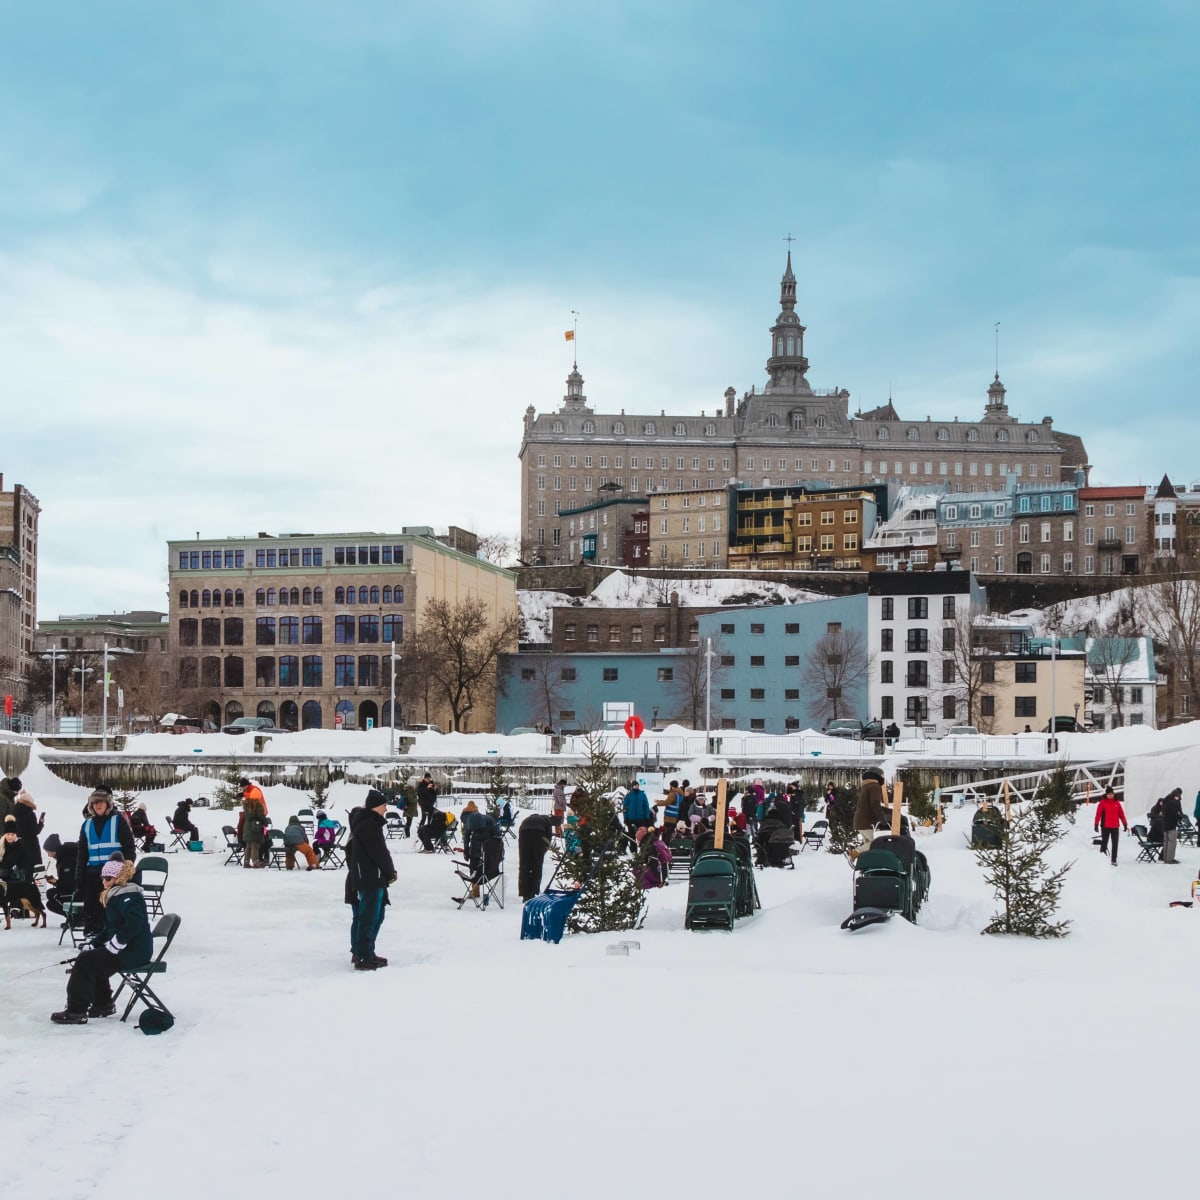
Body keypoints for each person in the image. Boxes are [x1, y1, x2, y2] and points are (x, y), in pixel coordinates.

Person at [51, 858, 152, 1024]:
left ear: (118, 878)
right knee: (90, 956)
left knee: (86, 961)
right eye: (102, 878)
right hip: (126, 949)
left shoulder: (130, 896)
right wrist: (94, 944)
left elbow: (135, 923)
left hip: (135, 951)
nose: (104, 881)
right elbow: (109, 930)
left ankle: (76, 1011)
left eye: (108, 878)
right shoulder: (115, 896)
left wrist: (118, 942)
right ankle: (103, 1003)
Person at [347, 790, 396, 970]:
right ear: (376, 807)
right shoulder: (369, 825)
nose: (386, 809)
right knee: (368, 917)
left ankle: (368, 952)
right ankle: (362, 956)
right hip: (370, 878)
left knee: (377, 915)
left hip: (372, 877)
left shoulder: (369, 824)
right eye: (384, 805)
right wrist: (390, 871)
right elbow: (379, 853)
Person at [77, 788, 136, 934]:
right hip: (92, 873)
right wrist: (79, 876)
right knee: (92, 906)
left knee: (110, 908)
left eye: (101, 802)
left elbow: (129, 847)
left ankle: (110, 936)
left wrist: (126, 869)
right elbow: (82, 853)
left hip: (113, 875)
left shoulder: (118, 820)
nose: (98, 805)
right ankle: (93, 935)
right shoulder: (87, 824)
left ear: (107, 803)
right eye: (95, 802)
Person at [517, 812, 554, 900]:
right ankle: (533, 892)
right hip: (539, 835)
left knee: (524, 865)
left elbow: (520, 834)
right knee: (537, 865)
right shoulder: (546, 820)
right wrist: (544, 849)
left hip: (524, 835)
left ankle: (524, 893)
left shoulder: (526, 820)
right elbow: (549, 836)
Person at [43, 833, 78, 916]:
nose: (49, 855)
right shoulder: (65, 857)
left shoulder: (66, 861)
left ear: (54, 850)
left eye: (49, 852)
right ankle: (73, 917)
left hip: (76, 891)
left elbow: (70, 883)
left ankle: (75, 917)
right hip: (74, 888)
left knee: (50, 895)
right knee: (50, 897)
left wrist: (56, 882)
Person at [854, 768, 889, 849]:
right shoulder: (874, 786)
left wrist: (887, 810)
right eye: (882, 775)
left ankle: (863, 859)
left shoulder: (866, 786)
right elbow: (875, 804)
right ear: (876, 775)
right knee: (876, 844)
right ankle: (854, 853)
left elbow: (869, 804)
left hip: (860, 821)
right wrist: (882, 819)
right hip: (867, 822)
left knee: (868, 845)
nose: (883, 777)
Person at [1094, 786, 1128, 866]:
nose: (1110, 795)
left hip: (1115, 826)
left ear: (1113, 794)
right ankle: (1101, 859)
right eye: (1109, 794)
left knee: (1115, 844)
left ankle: (1114, 859)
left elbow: (1121, 814)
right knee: (1104, 843)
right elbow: (1098, 814)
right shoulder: (1102, 803)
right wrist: (1096, 824)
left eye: (1112, 794)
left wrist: (1125, 824)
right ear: (1106, 795)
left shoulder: (1117, 803)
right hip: (1105, 826)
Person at [11, 789, 44, 871]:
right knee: (36, 868)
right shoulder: (30, 814)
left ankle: (25, 882)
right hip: (31, 844)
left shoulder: (13, 812)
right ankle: (38, 883)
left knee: (23, 867)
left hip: (19, 843)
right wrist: (41, 823)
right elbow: (34, 831)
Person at [240, 782, 268, 869]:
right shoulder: (258, 804)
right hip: (255, 828)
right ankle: (256, 862)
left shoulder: (246, 804)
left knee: (248, 846)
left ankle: (246, 862)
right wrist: (265, 822)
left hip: (247, 827)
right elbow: (261, 816)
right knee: (255, 846)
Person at [1153, 788, 1184, 864]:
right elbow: (1175, 813)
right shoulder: (1173, 802)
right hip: (1171, 824)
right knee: (1172, 842)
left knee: (1166, 841)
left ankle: (1166, 858)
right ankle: (1170, 859)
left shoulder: (1166, 800)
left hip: (1165, 824)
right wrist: (1180, 816)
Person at [622, 780, 653, 847]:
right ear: (632, 786)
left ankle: (643, 850)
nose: (636, 786)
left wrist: (647, 818)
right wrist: (625, 818)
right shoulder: (629, 795)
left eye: (637, 785)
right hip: (631, 819)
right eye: (635, 785)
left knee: (642, 835)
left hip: (641, 819)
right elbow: (625, 808)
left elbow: (646, 806)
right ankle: (633, 851)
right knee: (632, 835)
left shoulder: (642, 795)